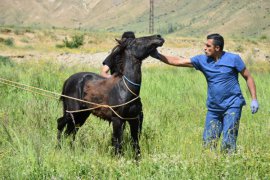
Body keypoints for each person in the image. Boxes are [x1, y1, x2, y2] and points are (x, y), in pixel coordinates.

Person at [151, 33, 259, 153]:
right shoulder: (202, 60)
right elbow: (178, 61)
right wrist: (157, 56)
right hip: (214, 108)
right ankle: (212, 166)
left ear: (217, 48)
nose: (205, 48)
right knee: (208, 143)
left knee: (228, 141)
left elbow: (248, 77)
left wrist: (254, 99)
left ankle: (227, 166)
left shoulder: (233, 59)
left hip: (232, 105)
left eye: (208, 46)